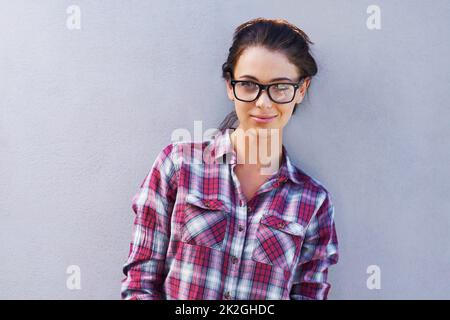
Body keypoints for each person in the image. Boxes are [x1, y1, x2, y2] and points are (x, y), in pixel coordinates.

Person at [121, 17, 339, 300]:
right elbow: (141, 281)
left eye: (281, 87)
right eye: (249, 84)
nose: (263, 102)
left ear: (301, 89)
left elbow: (309, 294)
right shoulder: (178, 166)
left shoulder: (313, 202)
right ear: (229, 85)